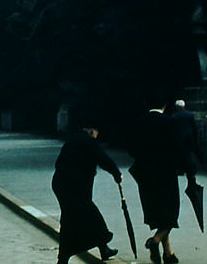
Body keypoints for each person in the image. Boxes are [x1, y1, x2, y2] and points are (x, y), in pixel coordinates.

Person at [128, 96, 197, 264]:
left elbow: (130, 148)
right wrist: (190, 169)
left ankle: (168, 254)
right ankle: (155, 241)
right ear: (165, 105)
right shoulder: (168, 122)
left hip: (144, 174)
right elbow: (177, 147)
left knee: (157, 212)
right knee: (171, 212)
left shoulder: (139, 122)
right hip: (165, 173)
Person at [52, 116, 122, 263]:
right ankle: (67, 256)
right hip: (75, 187)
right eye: (96, 132)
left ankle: (102, 249)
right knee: (89, 216)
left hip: (61, 184)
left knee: (71, 218)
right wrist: (116, 173)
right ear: (91, 130)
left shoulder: (72, 140)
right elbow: (103, 159)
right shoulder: (89, 141)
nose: (97, 136)